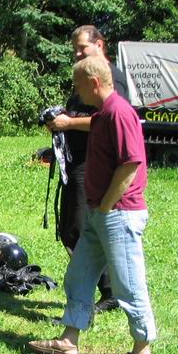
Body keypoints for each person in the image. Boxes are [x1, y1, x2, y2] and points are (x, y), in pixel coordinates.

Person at [28, 56, 157, 354]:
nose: (76, 92)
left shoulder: (119, 113)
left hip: (119, 213)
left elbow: (131, 163)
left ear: (94, 83)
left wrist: (107, 204)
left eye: (78, 85)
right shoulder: (103, 114)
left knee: (128, 284)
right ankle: (68, 341)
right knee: (79, 275)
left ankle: (142, 351)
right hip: (100, 214)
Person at [47, 25, 128, 314]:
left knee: (80, 230)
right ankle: (97, 291)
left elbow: (108, 119)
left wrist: (69, 123)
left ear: (100, 44)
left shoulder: (111, 78)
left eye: (82, 48)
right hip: (75, 162)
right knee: (71, 228)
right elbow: (83, 114)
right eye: (75, 50)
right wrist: (59, 121)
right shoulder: (85, 75)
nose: (78, 54)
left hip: (91, 165)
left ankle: (107, 292)